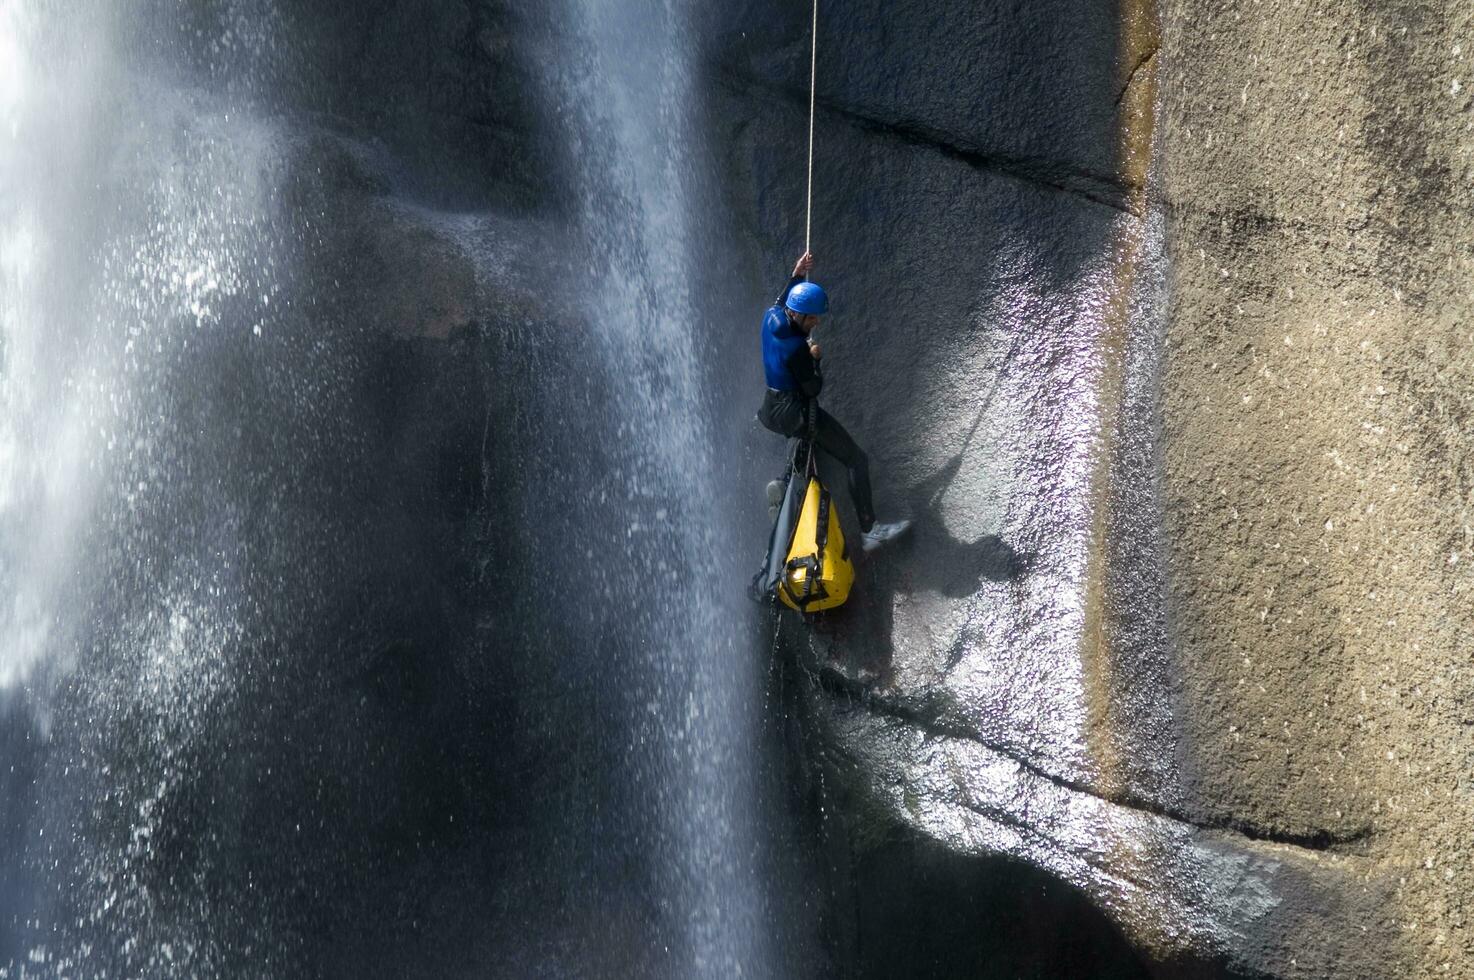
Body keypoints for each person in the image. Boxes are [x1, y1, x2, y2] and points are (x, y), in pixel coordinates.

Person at [757, 252, 909, 552]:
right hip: (795, 411)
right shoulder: (796, 348)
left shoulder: (771, 315)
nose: (815, 322)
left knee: (805, 441)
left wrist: (797, 274)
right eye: (812, 317)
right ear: (799, 315)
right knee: (855, 459)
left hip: (771, 407)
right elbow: (813, 389)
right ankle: (870, 530)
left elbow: (782, 298)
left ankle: (784, 482)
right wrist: (816, 360)